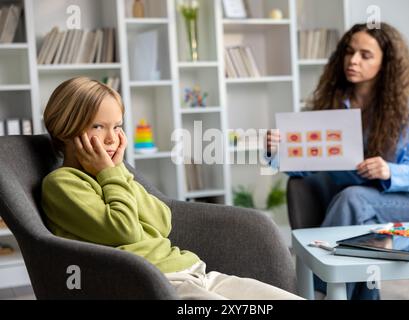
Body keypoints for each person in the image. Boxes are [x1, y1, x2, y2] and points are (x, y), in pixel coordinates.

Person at [41, 76, 302, 300]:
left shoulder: (113, 175)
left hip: (195, 271)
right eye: (98, 126)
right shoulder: (62, 184)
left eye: (117, 127)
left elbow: (162, 221)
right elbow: (125, 230)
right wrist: (110, 172)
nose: (111, 138)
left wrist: (117, 170)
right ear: (65, 129)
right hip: (157, 284)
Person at [265, 22, 409, 299]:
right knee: (358, 227)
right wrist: (278, 151)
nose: (353, 60)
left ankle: (317, 287)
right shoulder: (334, 107)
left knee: (354, 198)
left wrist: (388, 170)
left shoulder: (408, 110)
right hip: (353, 206)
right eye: (348, 52)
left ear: (386, 63)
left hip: (402, 204)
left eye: (365, 55)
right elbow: (309, 166)